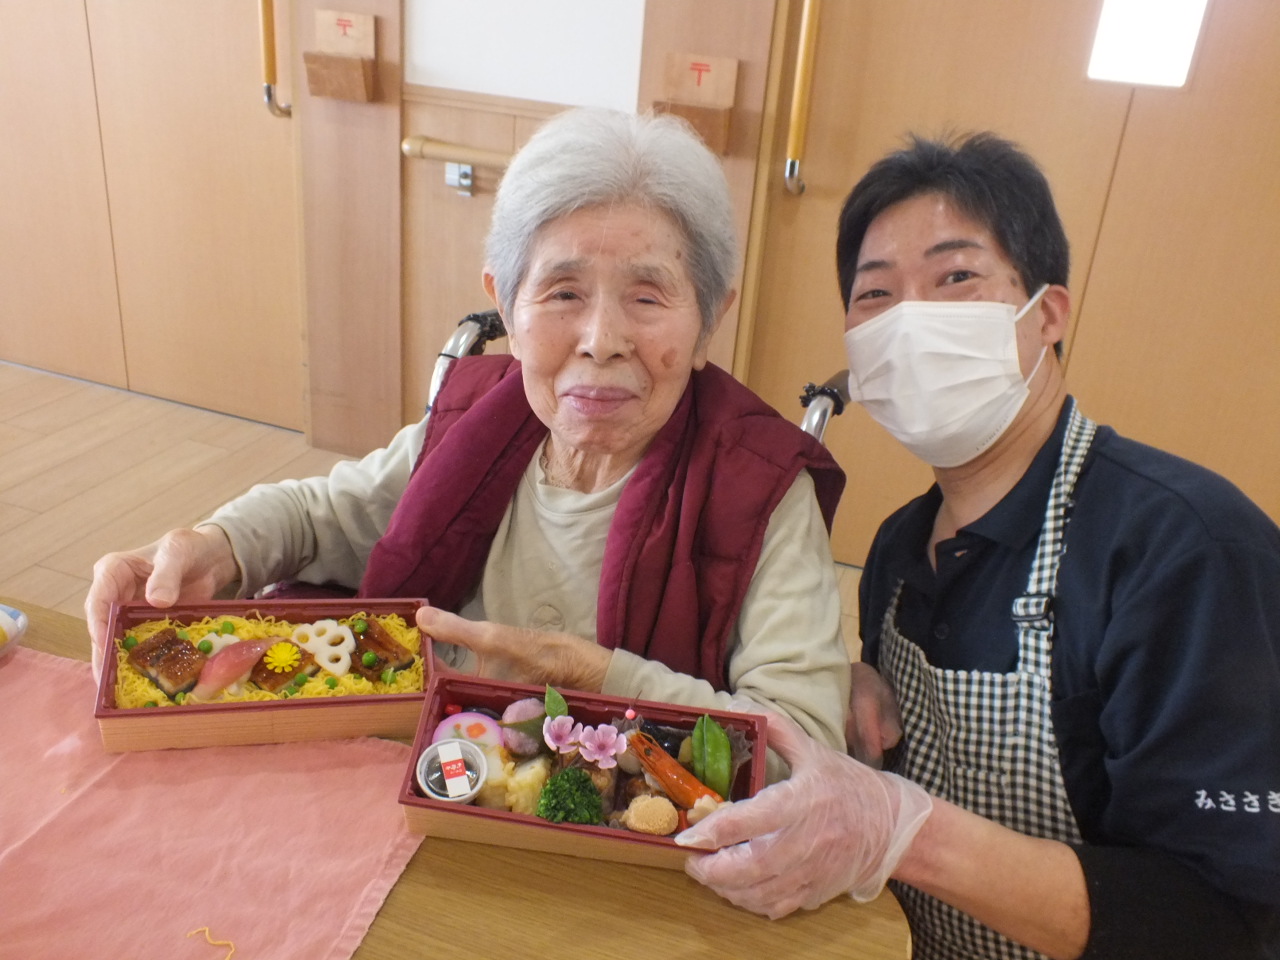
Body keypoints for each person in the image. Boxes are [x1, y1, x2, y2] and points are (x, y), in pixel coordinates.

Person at [86, 107, 851, 760]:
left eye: (649, 297)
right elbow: (326, 515)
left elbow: (806, 744)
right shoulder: (475, 422)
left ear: (712, 317)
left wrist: (604, 681)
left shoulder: (761, 491)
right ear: (505, 304)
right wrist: (218, 548)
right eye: (562, 291)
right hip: (420, 784)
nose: (601, 338)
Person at [678, 133, 1280, 959]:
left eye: (956, 278)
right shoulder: (897, 551)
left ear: (1048, 315)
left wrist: (903, 828)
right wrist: (850, 680)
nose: (912, 320)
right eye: (876, 295)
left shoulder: (1183, 549)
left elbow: (1225, 919)